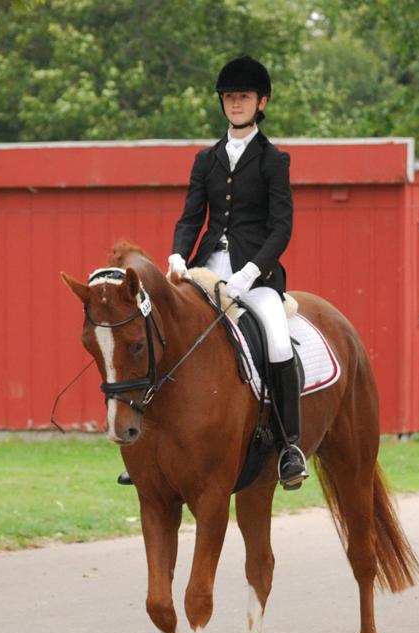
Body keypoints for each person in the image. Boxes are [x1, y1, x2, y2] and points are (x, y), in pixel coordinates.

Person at [119, 54, 308, 491]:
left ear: (261, 103)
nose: (235, 103)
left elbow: (282, 228)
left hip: (255, 279)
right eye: (229, 97)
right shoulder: (206, 159)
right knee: (159, 335)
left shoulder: (273, 160)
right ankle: (148, 447)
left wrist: (251, 271)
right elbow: (191, 217)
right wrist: (178, 256)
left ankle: (289, 447)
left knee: (278, 343)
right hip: (205, 273)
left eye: (243, 97)